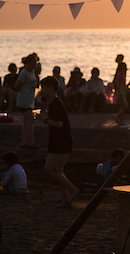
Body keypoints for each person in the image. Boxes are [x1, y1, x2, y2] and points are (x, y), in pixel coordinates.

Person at [36, 76, 80, 208]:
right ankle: (66, 200)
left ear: (50, 88)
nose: (41, 90)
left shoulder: (55, 103)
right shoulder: (54, 103)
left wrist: (42, 119)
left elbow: (59, 124)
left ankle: (73, 190)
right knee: (59, 171)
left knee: (49, 169)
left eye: (43, 88)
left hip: (60, 143)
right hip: (60, 142)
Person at [14, 54, 38, 148]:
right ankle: (31, 141)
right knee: (31, 119)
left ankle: (23, 141)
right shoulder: (24, 73)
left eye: (36, 62)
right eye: (34, 62)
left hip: (29, 99)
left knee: (26, 121)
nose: (35, 64)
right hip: (23, 100)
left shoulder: (33, 72)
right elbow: (17, 86)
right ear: (28, 63)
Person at [112, 55, 128, 124]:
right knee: (124, 105)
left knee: (123, 106)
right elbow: (117, 83)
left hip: (122, 91)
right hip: (120, 92)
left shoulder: (121, 74)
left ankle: (121, 119)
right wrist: (118, 92)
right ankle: (118, 118)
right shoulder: (120, 74)